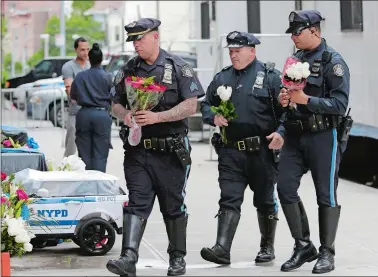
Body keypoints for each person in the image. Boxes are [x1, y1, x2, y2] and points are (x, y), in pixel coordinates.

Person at [105, 18, 205, 277]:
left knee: (173, 205)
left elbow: (190, 105)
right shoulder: (128, 70)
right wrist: (124, 114)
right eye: (133, 40)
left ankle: (177, 258)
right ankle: (128, 258)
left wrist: (158, 117)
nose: (136, 45)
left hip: (170, 151)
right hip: (138, 151)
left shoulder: (178, 67)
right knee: (137, 202)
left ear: (155, 37)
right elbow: (114, 103)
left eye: (140, 39)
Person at [200, 31, 285, 266]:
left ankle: (267, 247)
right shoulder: (222, 78)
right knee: (229, 198)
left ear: (252, 51)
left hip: (262, 151)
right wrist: (213, 116)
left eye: (238, 51)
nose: (233, 55)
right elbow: (206, 104)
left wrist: (281, 133)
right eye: (231, 51)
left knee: (265, 200)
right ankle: (222, 248)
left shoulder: (270, 77)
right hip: (231, 151)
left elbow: (287, 112)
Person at [277, 10, 350, 274]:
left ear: (315, 31)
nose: (294, 37)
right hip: (295, 135)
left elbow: (340, 105)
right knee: (284, 188)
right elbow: (287, 95)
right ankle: (303, 245)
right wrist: (285, 100)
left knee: (326, 194)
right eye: (292, 33)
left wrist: (307, 100)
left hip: (323, 136)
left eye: (298, 32)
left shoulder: (333, 61)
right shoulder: (293, 59)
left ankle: (327, 253)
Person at [70, 43, 113, 172]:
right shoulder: (108, 77)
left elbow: (73, 97)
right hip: (102, 115)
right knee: (100, 153)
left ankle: (85, 182)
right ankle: (99, 184)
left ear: (89, 58)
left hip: (84, 114)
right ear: (101, 59)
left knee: (84, 153)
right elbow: (114, 97)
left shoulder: (80, 76)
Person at [62, 37, 90, 158]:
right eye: (82, 49)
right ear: (75, 50)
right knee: (71, 149)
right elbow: (70, 91)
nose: (86, 52)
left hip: (91, 112)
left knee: (89, 148)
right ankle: (66, 172)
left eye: (87, 49)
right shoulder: (68, 67)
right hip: (75, 112)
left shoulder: (91, 65)